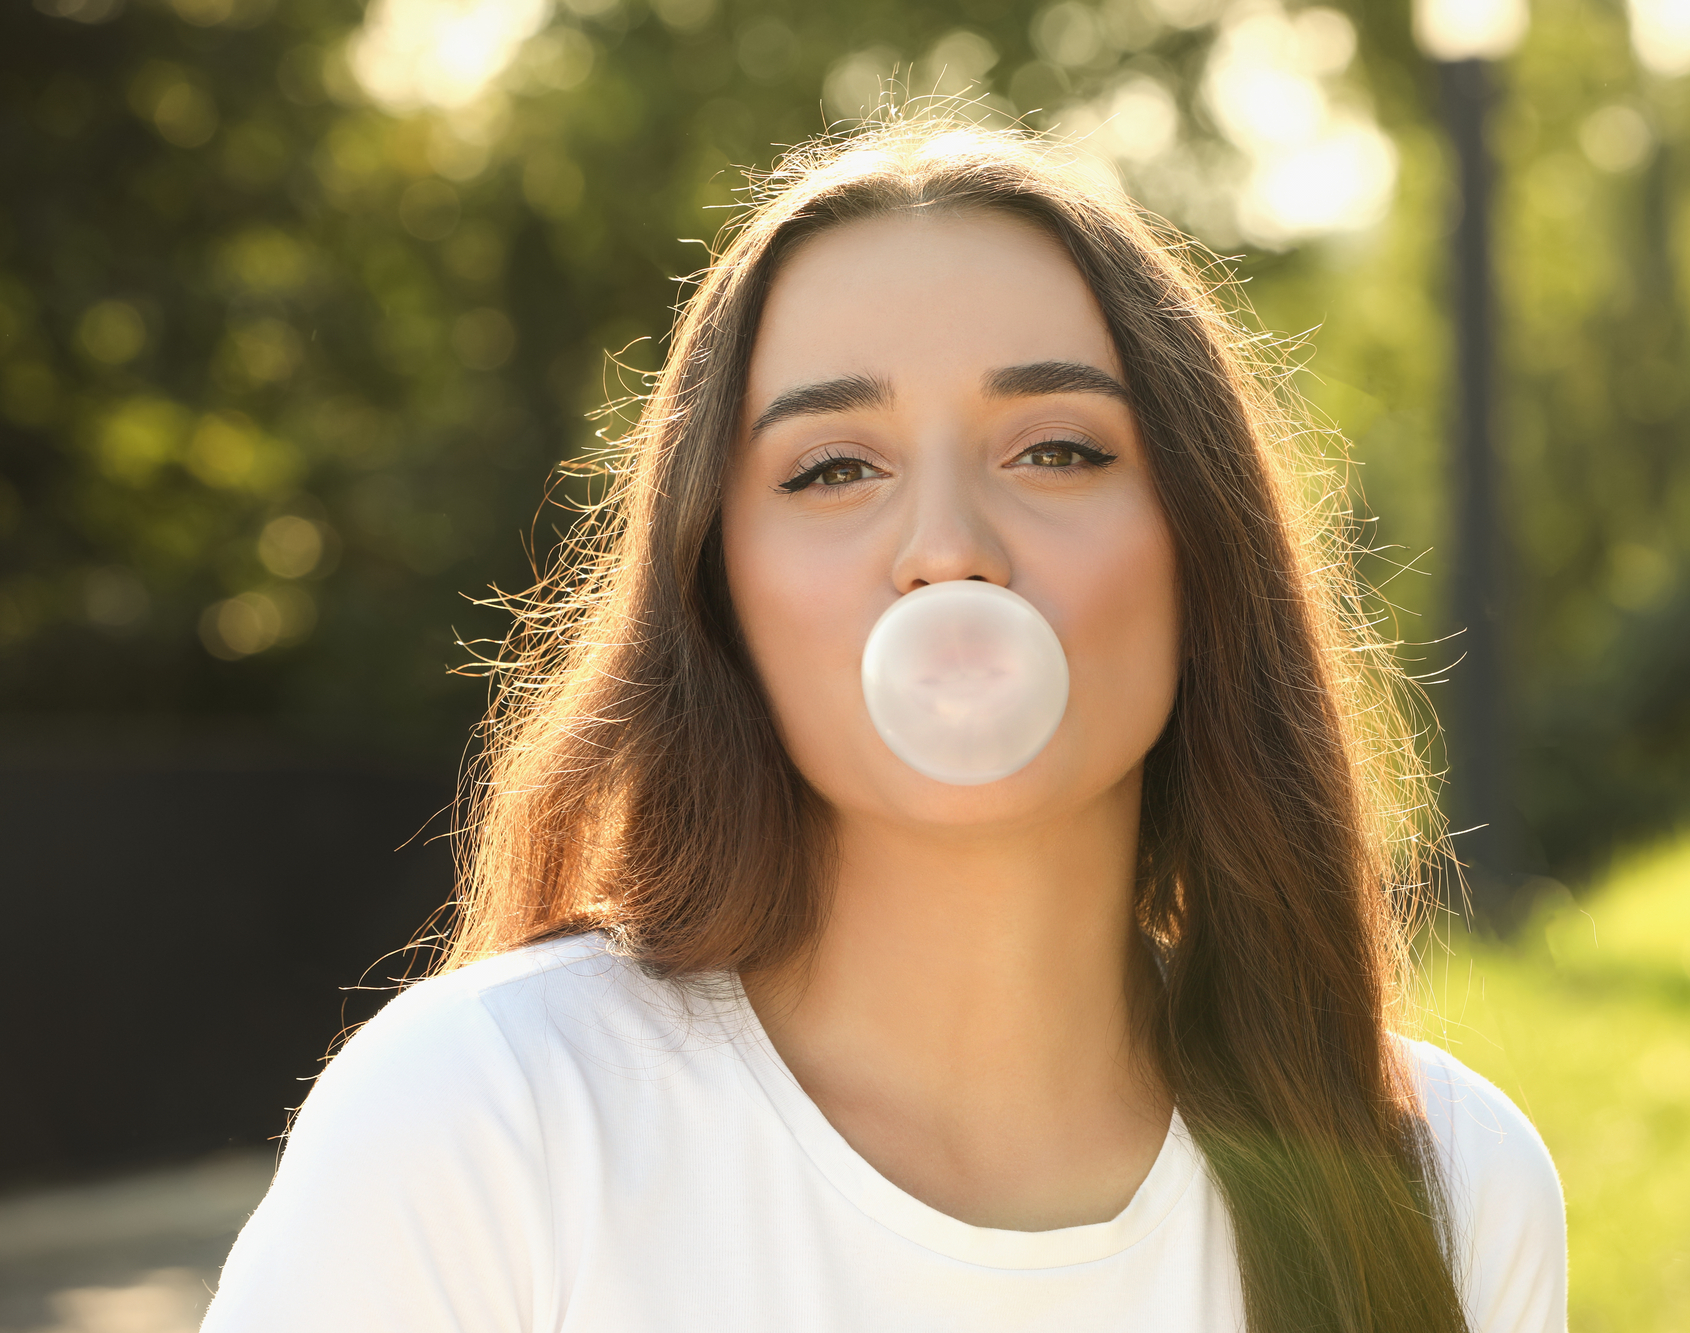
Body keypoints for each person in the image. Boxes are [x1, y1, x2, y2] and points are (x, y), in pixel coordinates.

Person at [201, 118, 1565, 1333]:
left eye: (1058, 448)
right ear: (717, 588)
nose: (947, 548)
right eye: (833, 467)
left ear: (1201, 550)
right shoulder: (486, 1123)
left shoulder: (1444, 1181)